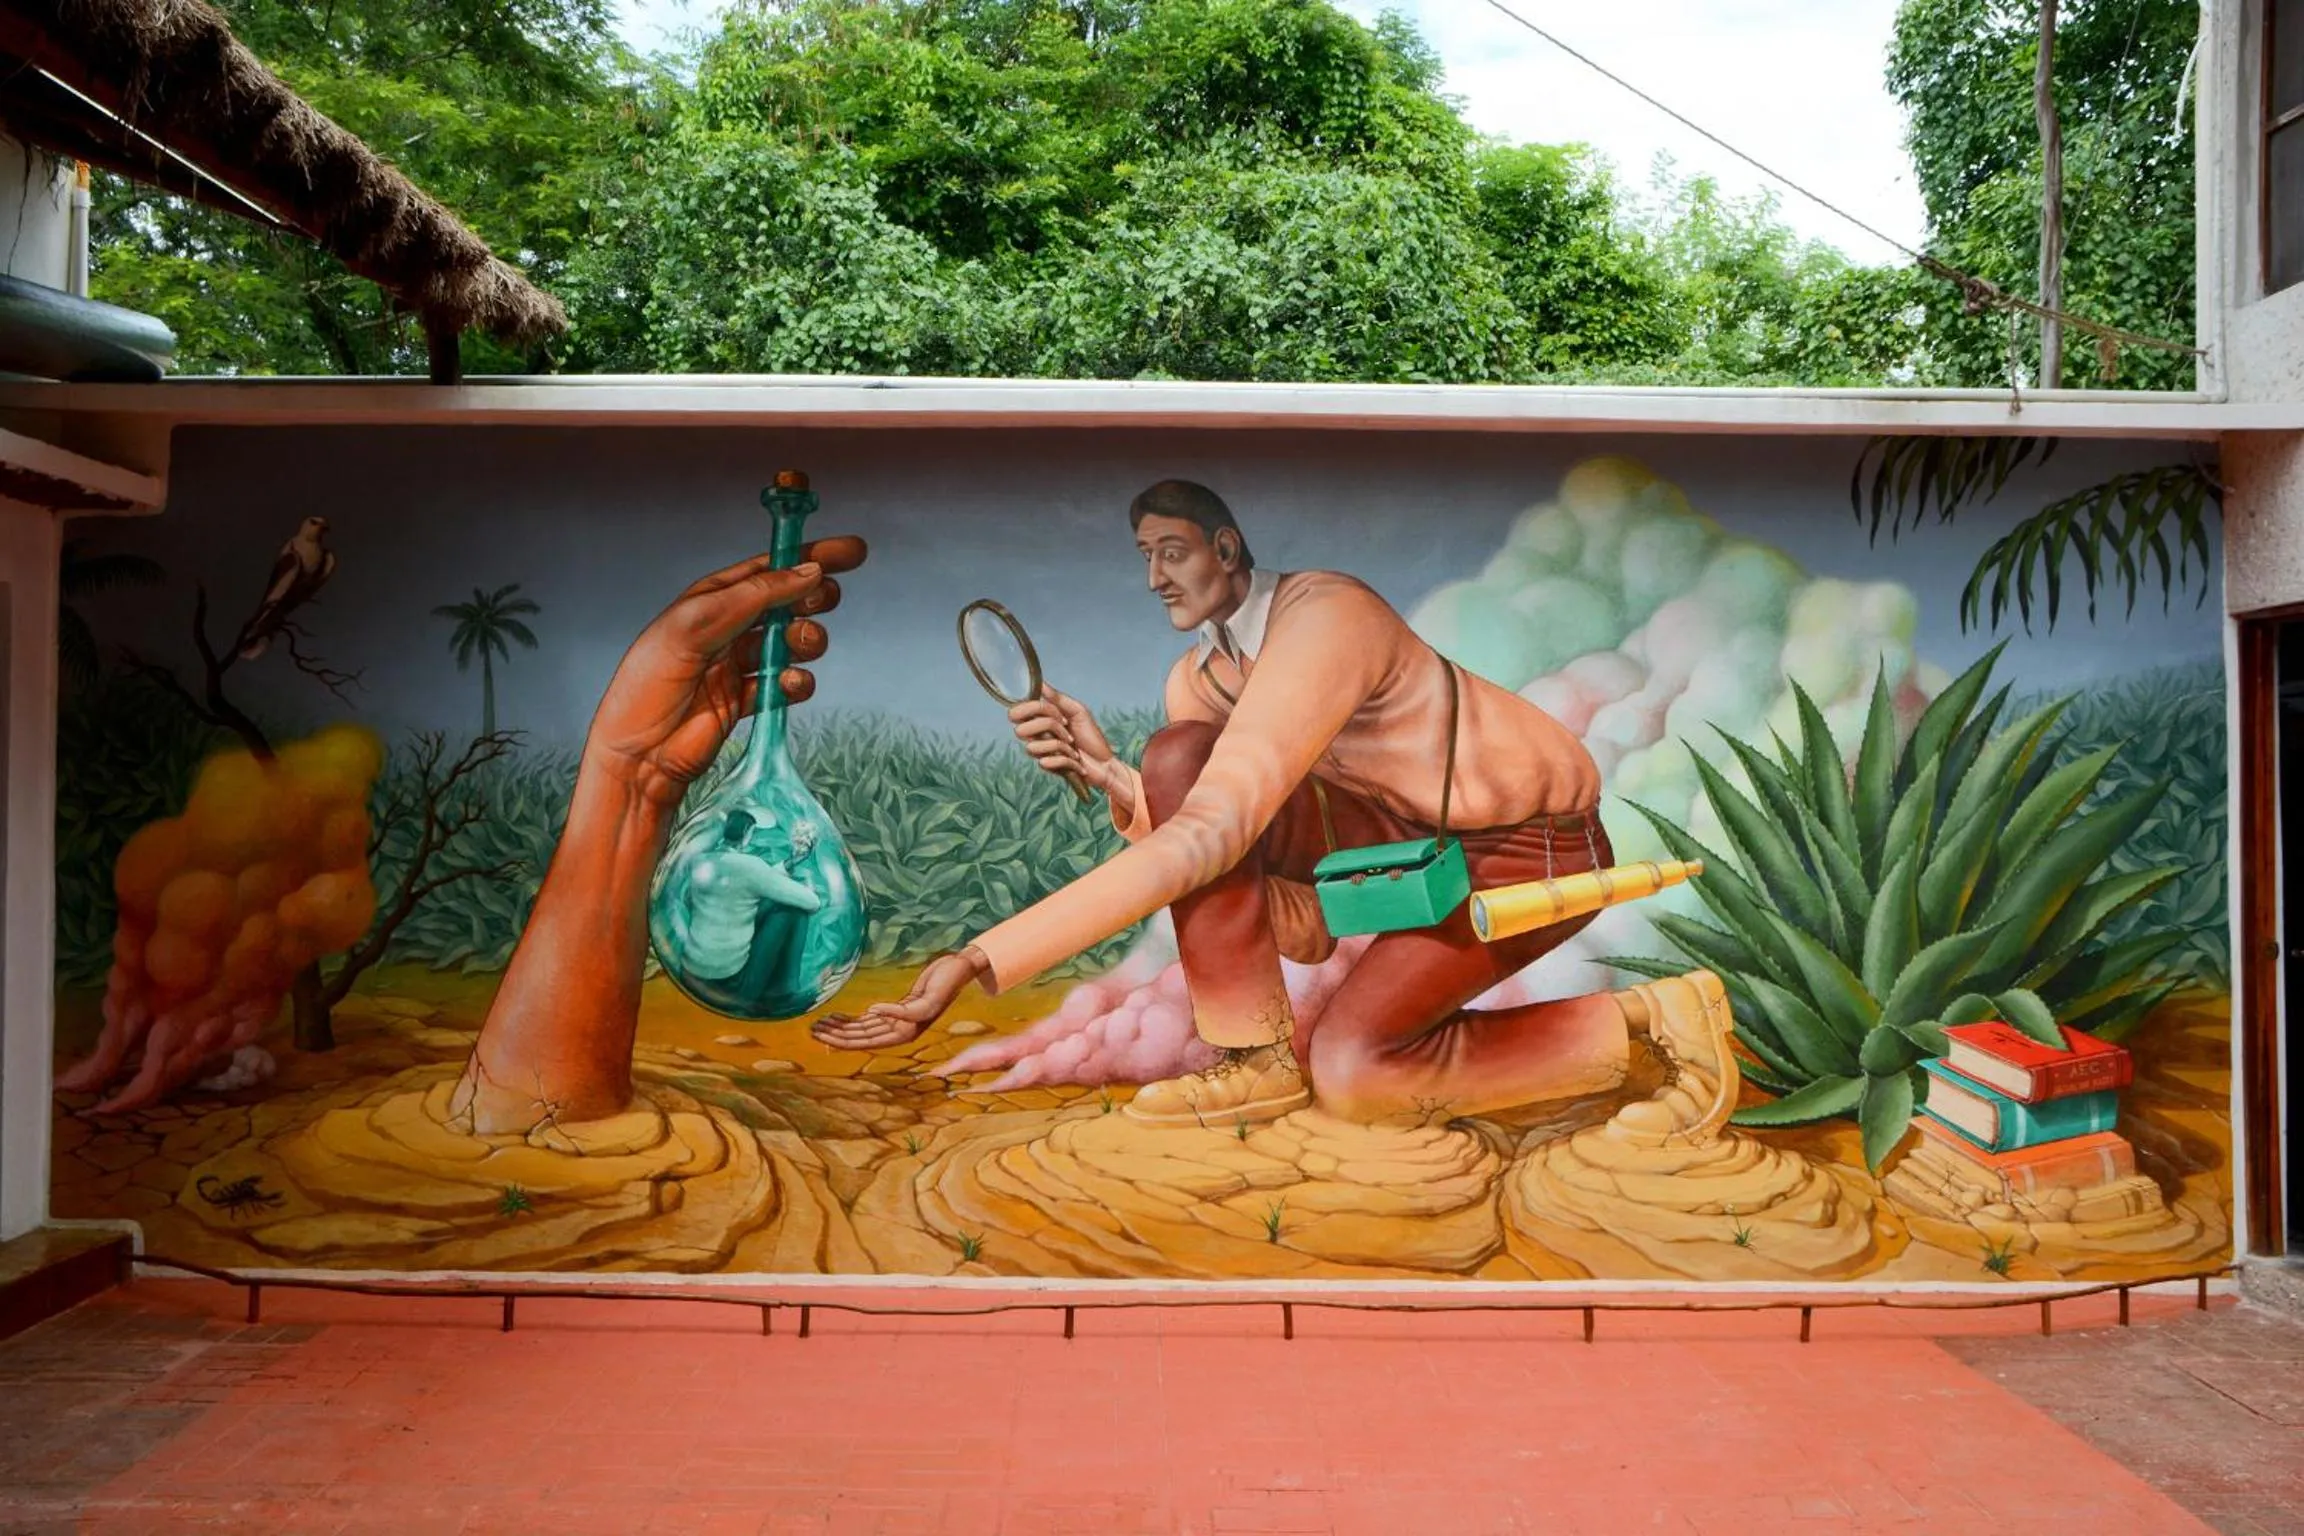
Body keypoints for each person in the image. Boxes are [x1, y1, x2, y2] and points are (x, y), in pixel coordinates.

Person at [813, 481, 1736, 1138]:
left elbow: (1215, 834)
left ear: (1226, 550)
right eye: (1144, 557)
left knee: (1355, 1071)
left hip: (1522, 854)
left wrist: (975, 959)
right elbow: (1221, 852)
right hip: (1400, 856)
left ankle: (1655, 1020)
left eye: (1172, 551)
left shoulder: (1327, 616)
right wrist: (1113, 779)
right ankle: (1252, 1063)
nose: (1155, 577)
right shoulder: (1201, 678)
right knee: (1177, 755)